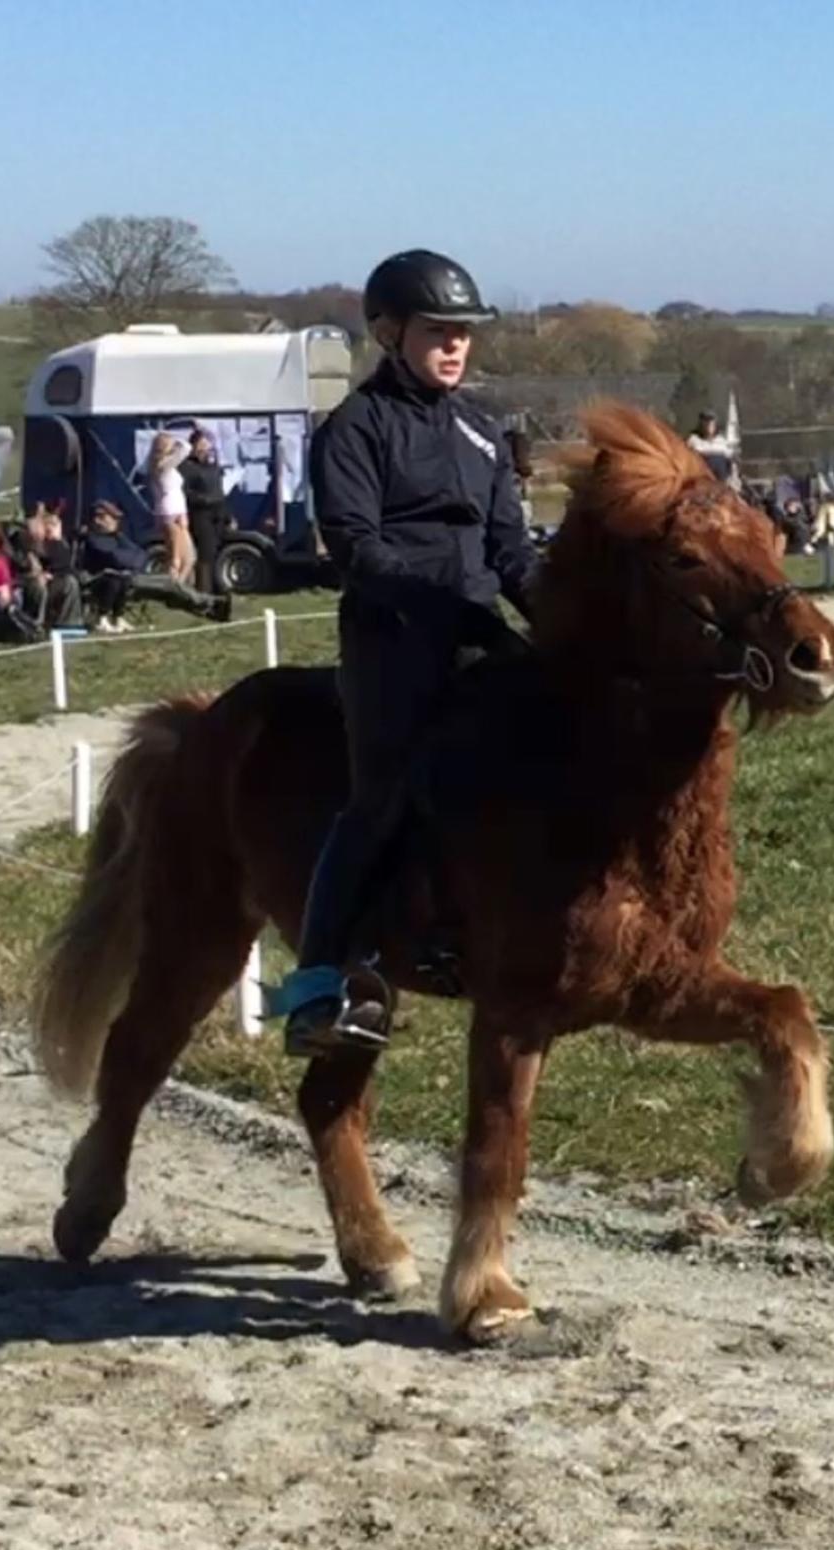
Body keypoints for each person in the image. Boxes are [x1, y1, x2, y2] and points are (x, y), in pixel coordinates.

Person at [273, 248, 540, 1057]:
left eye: (465, 333)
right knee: (381, 798)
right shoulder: (353, 429)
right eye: (439, 331)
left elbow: (513, 550)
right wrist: (450, 600)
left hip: (477, 629)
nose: (457, 345)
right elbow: (357, 548)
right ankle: (317, 986)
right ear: (390, 332)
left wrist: (563, 617)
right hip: (394, 641)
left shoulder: (483, 431)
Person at [81, 500, 231, 630]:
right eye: (112, 518)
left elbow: (141, 556)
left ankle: (207, 607)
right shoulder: (94, 539)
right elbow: (117, 559)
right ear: (98, 519)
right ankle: (209, 603)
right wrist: (131, 560)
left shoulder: (117, 537)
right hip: (112, 582)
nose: (116, 522)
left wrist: (130, 559)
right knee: (169, 584)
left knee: (168, 588)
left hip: (130, 578)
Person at [180, 428, 233, 594]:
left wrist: (228, 515)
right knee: (205, 553)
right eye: (201, 445)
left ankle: (217, 588)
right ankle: (204, 591)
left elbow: (219, 489)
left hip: (218, 513)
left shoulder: (212, 465)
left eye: (207, 446)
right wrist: (204, 500)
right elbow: (185, 492)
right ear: (194, 446)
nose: (205, 449)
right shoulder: (187, 467)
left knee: (217, 552)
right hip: (200, 514)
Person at [147, 431, 195, 584]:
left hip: (176, 510)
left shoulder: (157, 463)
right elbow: (187, 448)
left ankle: (179, 586)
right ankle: (173, 587)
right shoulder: (163, 464)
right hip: (171, 512)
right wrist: (176, 439)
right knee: (176, 557)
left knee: (189, 556)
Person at [686, 411, 735, 482]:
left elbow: (729, 457)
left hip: (720, 475)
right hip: (701, 473)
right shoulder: (693, 439)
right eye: (706, 424)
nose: (708, 427)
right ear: (701, 425)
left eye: (711, 424)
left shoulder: (721, 440)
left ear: (715, 426)